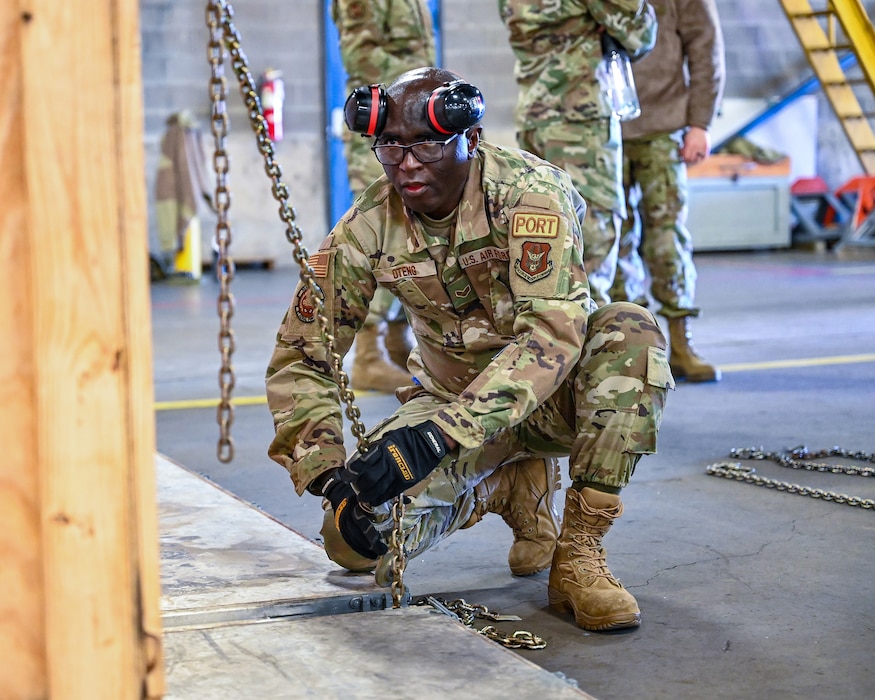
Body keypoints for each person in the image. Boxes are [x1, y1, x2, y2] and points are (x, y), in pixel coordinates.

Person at [266, 67, 674, 631]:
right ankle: (507, 486)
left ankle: (579, 554)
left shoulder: (531, 196)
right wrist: (328, 473)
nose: (407, 164)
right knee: (353, 543)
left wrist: (437, 438)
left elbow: (550, 336)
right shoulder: (367, 225)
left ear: (471, 140)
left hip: (553, 401)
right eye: (390, 146)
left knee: (630, 334)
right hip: (449, 399)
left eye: (428, 145)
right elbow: (302, 355)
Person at [498, 0, 658, 308]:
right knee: (590, 239)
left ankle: (547, 339)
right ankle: (586, 345)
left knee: (541, 237)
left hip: (534, 116)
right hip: (581, 122)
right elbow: (641, 35)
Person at [609, 0, 725, 382]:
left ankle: (681, 342)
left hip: (664, 128)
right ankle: (637, 346)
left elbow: (706, 49)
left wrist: (700, 123)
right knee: (614, 242)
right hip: (603, 130)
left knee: (667, 239)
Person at [331, 0, 437, 393]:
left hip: (408, 126)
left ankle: (397, 340)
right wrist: (421, 85)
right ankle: (367, 354)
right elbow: (360, 57)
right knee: (386, 236)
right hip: (383, 134)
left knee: (414, 234)